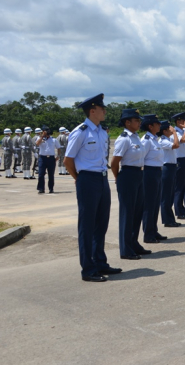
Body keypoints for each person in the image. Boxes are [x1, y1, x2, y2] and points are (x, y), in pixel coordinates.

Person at [64, 93, 120, 282]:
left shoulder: (102, 131)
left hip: (102, 178)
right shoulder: (80, 132)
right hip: (87, 179)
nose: (105, 111)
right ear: (92, 111)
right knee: (87, 226)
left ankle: (100, 262)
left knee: (101, 224)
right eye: (102, 109)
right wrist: (79, 178)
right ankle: (88, 269)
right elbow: (67, 160)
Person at [110, 108, 151, 260]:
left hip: (139, 174)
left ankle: (134, 243)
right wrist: (118, 178)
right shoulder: (124, 139)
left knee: (137, 211)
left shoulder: (136, 137)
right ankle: (126, 249)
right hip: (127, 175)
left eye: (139, 120)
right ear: (127, 122)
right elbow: (114, 162)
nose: (140, 123)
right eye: (136, 120)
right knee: (127, 214)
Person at [140, 114, 168, 244]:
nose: (159, 125)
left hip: (157, 172)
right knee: (149, 205)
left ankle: (153, 230)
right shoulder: (146, 140)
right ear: (150, 126)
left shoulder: (154, 139)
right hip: (149, 173)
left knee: (155, 203)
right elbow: (141, 159)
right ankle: (148, 234)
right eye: (156, 123)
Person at [158, 120, 181, 228]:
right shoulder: (162, 140)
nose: (171, 131)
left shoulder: (167, 139)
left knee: (170, 194)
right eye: (169, 129)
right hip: (166, 168)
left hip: (172, 167)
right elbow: (176, 145)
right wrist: (175, 133)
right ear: (164, 131)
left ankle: (170, 219)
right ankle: (167, 220)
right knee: (166, 196)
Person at [35, 126, 58, 194]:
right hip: (42, 158)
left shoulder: (53, 140)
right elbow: (37, 144)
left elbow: (59, 148)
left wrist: (58, 156)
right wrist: (42, 136)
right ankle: (41, 188)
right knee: (41, 174)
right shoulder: (40, 138)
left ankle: (51, 188)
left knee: (51, 175)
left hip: (51, 158)